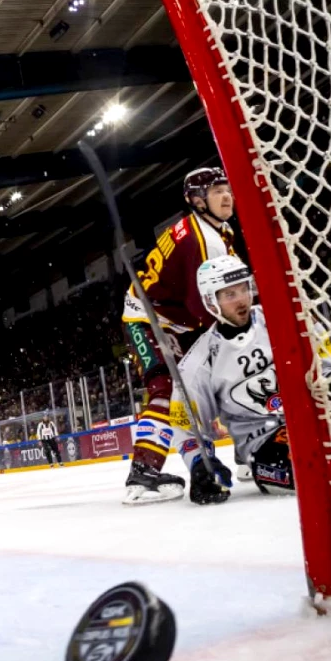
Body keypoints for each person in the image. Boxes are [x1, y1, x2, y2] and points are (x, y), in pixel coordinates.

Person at [121, 167, 237, 504]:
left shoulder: (216, 229)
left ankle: (243, 448)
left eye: (226, 189)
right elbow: (202, 307)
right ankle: (143, 473)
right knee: (166, 388)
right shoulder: (203, 241)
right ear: (197, 200)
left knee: (214, 377)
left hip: (179, 319)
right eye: (217, 191)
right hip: (145, 316)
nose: (227, 196)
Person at [175, 256, 294, 505]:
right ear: (211, 301)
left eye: (244, 289)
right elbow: (188, 428)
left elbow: (322, 364)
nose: (241, 299)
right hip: (264, 443)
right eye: (229, 294)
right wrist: (200, 464)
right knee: (316, 468)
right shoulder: (197, 365)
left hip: (309, 417)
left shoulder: (282, 316)